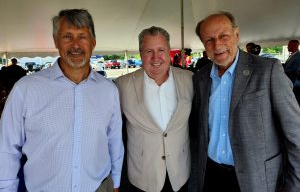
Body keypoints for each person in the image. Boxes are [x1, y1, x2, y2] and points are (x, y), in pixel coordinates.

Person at [0, 9, 124, 192]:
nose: (76, 45)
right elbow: (7, 148)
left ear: (93, 42)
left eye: (82, 36)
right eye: (67, 36)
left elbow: (114, 141)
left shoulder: (108, 90)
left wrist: (116, 182)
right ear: (56, 41)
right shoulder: (25, 89)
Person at [192, 11, 300, 192]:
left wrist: (294, 186)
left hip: (257, 179)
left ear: (237, 35)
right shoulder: (201, 78)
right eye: (209, 40)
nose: (217, 44)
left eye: (223, 36)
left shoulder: (268, 71)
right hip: (211, 176)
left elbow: (295, 134)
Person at [115, 26, 193, 192]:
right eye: (149, 51)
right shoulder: (121, 85)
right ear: (141, 53)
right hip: (143, 176)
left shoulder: (189, 80)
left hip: (180, 173)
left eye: (161, 50)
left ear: (169, 51)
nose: (155, 57)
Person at [284, 39, 300, 105]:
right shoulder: (292, 55)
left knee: (295, 102)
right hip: (291, 82)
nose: (287, 47)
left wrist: (281, 71)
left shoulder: (298, 56)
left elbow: (295, 69)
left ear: (295, 45)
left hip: (295, 83)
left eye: (289, 45)